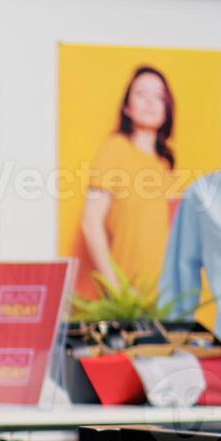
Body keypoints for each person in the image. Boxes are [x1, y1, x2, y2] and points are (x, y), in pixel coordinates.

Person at [78, 65, 181, 300]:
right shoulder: (115, 149)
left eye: (159, 96)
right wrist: (118, 290)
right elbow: (90, 222)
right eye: (141, 94)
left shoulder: (166, 165)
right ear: (127, 107)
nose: (150, 102)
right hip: (126, 300)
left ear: (167, 109)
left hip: (164, 300)